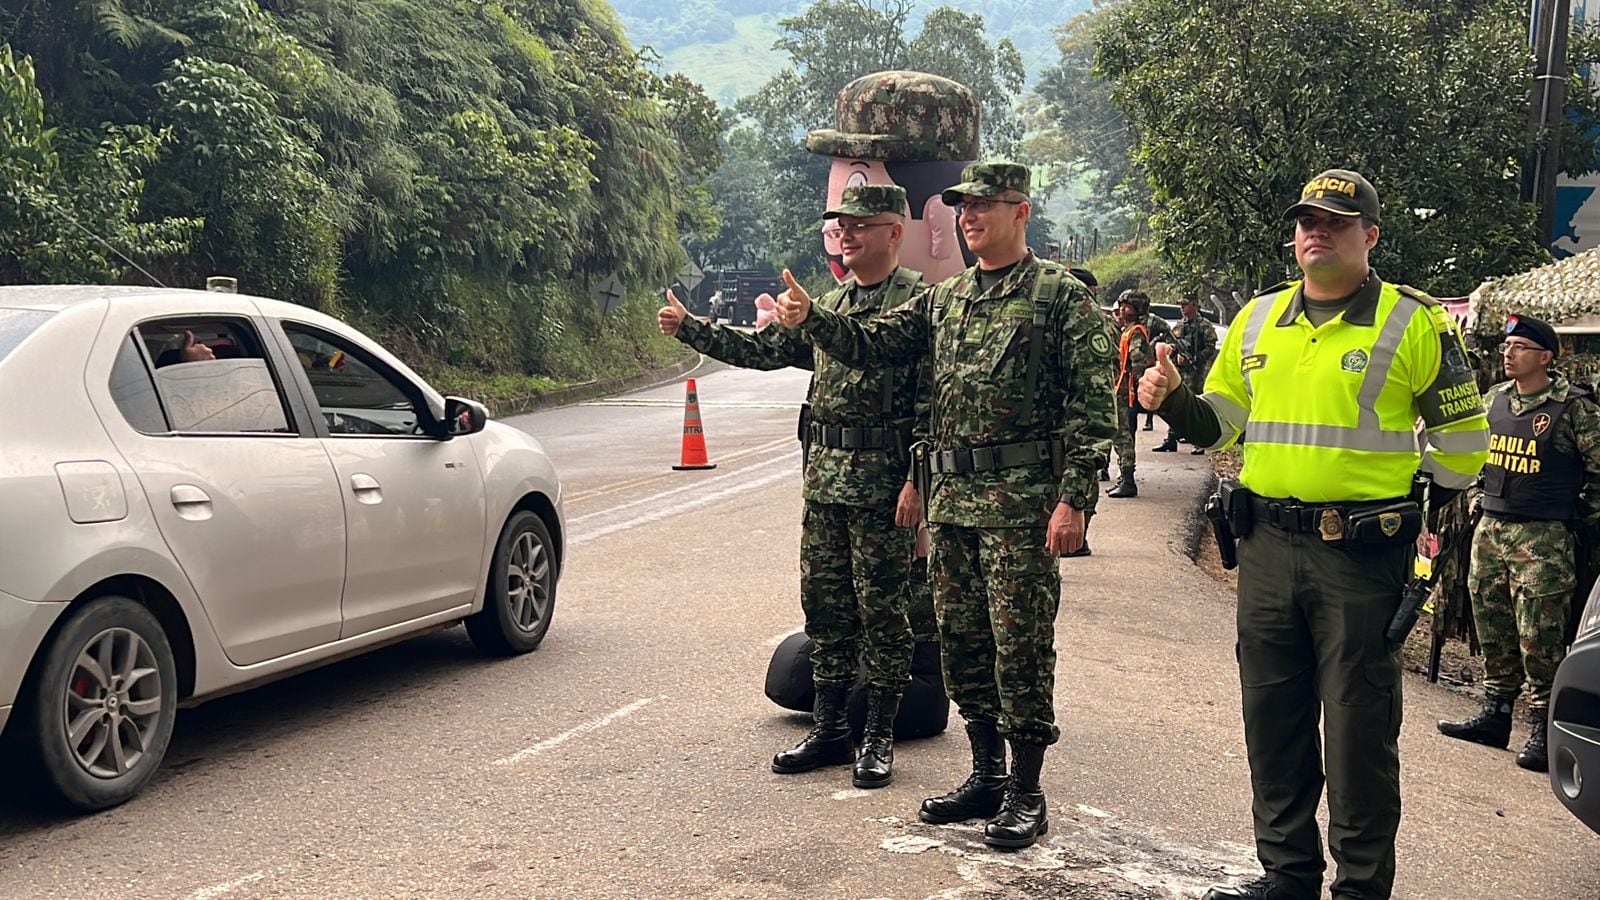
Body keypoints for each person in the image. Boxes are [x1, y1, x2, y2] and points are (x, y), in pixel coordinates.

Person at [1138, 168, 1488, 899]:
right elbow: (1222, 422)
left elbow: (1464, 448)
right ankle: (1287, 876)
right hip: (1265, 550)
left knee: (1359, 735)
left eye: (1335, 220)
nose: (1315, 231)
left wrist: (1401, 504)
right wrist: (1173, 402)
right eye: (1306, 220)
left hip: (1361, 559)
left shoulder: (1415, 323)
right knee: (1273, 721)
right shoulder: (1257, 320)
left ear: (1371, 236)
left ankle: (1359, 889)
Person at [774, 161, 1118, 850]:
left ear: (1021, 212)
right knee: (962, 646)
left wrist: (1075, 498)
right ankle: (985, 775)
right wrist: (816, 320)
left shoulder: (1057, 297)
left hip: (1021, 507)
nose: (969, 215)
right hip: (954, 502)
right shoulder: (946, 297)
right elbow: (877, 344)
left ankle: (1026, 791)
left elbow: (1091, 404)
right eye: (962, 205)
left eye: (985, 205)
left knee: (1019, 648)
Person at [659, 184, 924, 789]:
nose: (846, 235)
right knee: (825, 606)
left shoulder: (918, 302)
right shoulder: (826, 300)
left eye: (861, 224)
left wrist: (918, 481)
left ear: (894, 231)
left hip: (885, 484)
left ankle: (878, 735)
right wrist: (692, 329)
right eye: (839, 227)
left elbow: (930, 402)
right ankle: (830, 727)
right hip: (826, 479)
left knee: (884, 611)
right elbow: (764, 350)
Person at [1437, 313, 1600, 772]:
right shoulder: (1494, 401)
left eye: (1520, 347)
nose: (1508, 354)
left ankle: (1542, 727)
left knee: (1540, 635)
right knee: (1493, 623)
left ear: (1545, 357)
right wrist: (1474, 495)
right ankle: (1495, 713)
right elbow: (1474, 458)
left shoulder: (1575, 408)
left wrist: (1576, 519)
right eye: (1507, 346)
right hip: (1491, 529)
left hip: (1544, 537)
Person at [1153, 296, 1217, 455]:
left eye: (1185, 304)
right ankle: (1171, 439)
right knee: (1175, 401)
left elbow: (1210, 348)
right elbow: (1173, 344)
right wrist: (1175, 354)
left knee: (1196, 404)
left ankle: (1199, 440)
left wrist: (1195, 359)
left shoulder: (1204, 325)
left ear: (1195, 305)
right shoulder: (1180, 325)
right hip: (1180, 371)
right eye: (1180, 305)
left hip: (1196, 372)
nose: (1182, 308)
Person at [1108, 289, 1155, 499]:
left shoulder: (1135, 331)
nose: (1122, 309)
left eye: (1127, 306)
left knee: (1123, 436)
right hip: (1121, 388)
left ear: (1137, 310)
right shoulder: (1126, 330)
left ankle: (1128, 480)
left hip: (1126, 391)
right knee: (1120, 434)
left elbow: (1137, 361)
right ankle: (1123, 478)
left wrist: (1138, 388)